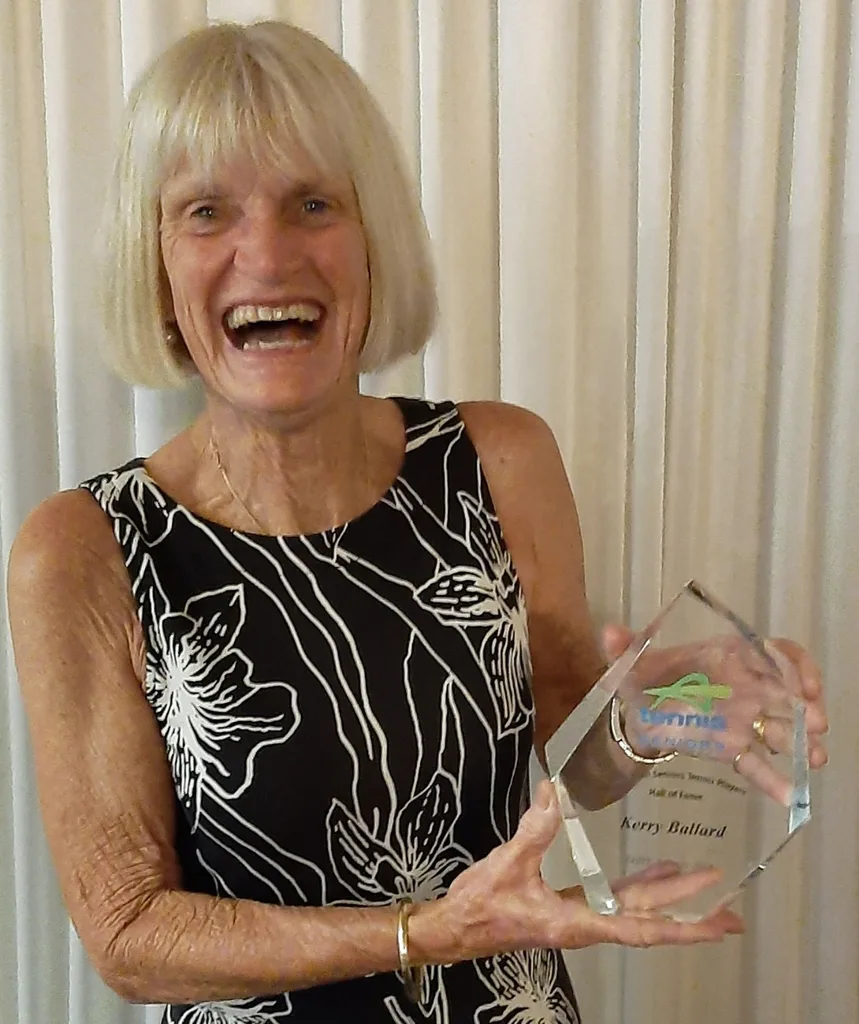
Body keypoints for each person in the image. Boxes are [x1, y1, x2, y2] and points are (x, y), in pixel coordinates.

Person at [6, 20, 828, 1024]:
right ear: (159, 272)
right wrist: (421, 932)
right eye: (206, 212)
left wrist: (658, 713)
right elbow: (127, 932)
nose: (263, 253)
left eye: (313, 202)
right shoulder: (81, 551)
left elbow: (577, 761)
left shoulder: (500, 461)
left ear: (372, 243)